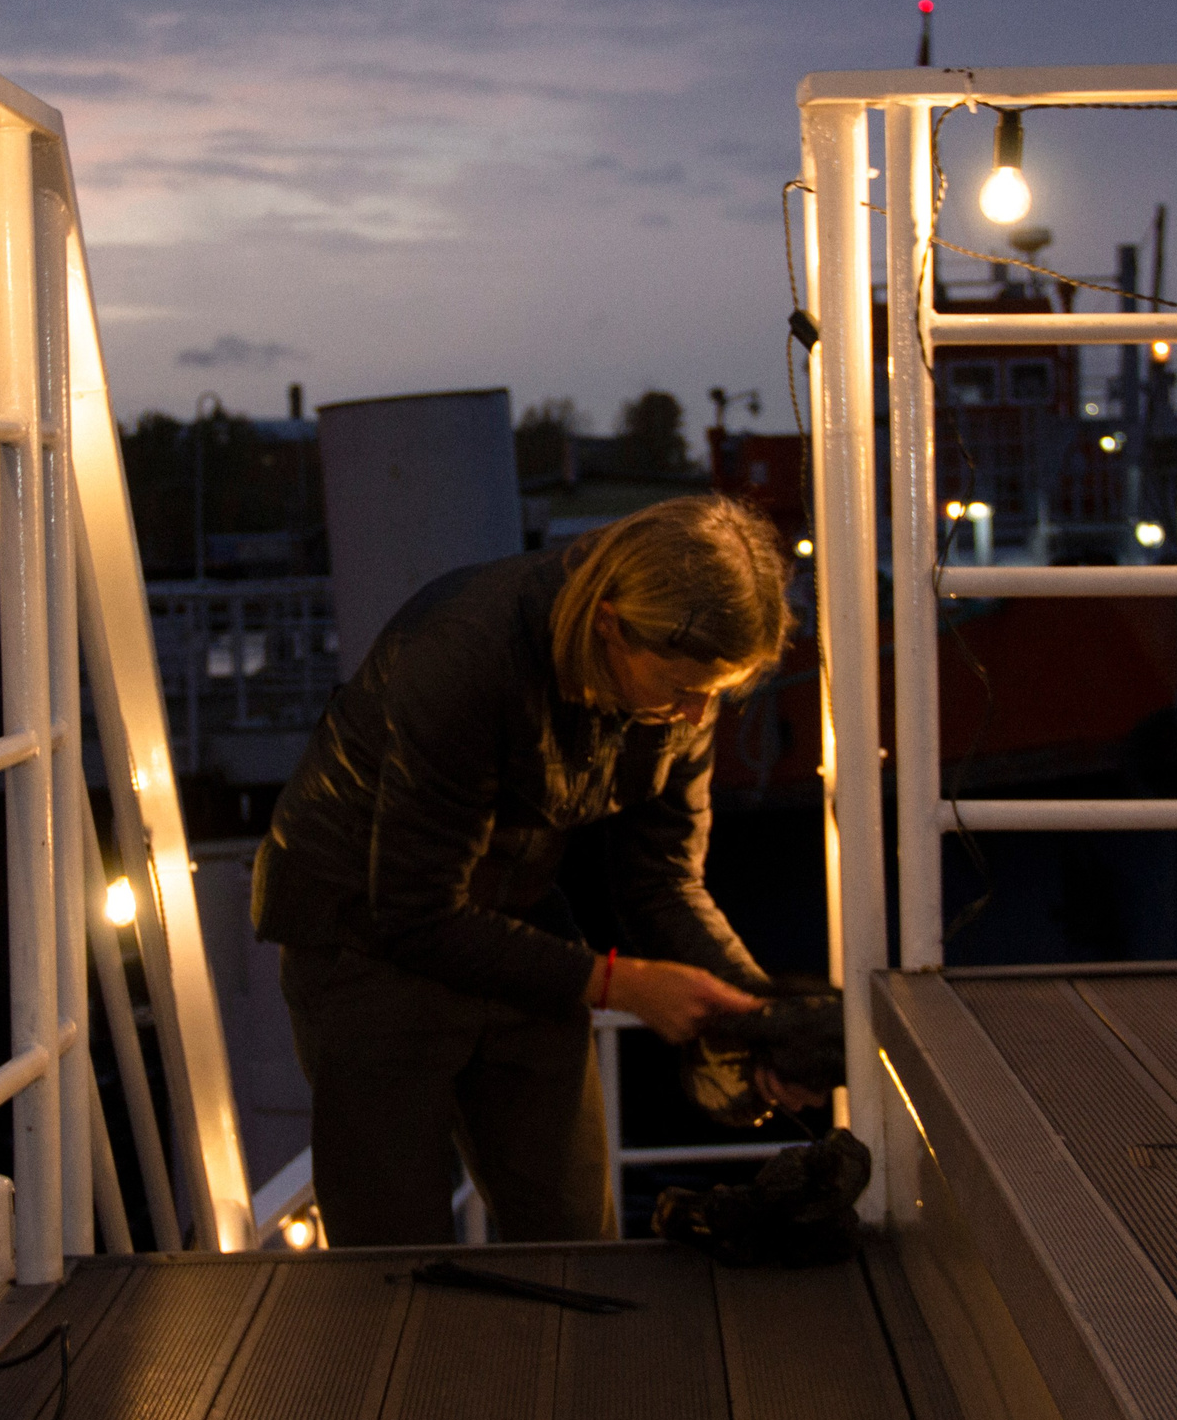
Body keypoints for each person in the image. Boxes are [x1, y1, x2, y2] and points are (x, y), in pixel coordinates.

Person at [251, 493, 814, 1246]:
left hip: (511, 921)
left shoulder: (682, 695)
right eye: (680, 690)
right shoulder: (463, 652)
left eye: (711, 696)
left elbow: (664, 880)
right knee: (392, 1260)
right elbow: (416, 913)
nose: (692, 715)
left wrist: (764, 1019)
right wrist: (621, 983)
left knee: (575, 1233)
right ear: (610, 624)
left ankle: (563, 1363)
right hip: (360, 939)